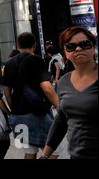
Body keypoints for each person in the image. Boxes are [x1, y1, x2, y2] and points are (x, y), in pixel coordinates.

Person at [41, 26, 98, 159]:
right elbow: (61, 120)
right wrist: (44, 156)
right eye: (71, 46)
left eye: (85, 44)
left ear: (94, 48)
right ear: (65, 53)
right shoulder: (64, 82)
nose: (78, 49)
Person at [3, 32, 61, 159]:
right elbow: (47, 89)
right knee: (55, 148)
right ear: (34, 45)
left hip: (17, 114)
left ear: (18, 45)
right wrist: (60, 107)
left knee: (30, 150)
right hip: (35, 114)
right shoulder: (36, 60)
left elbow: (6, 91)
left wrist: (14, 107)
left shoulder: (9, 63)